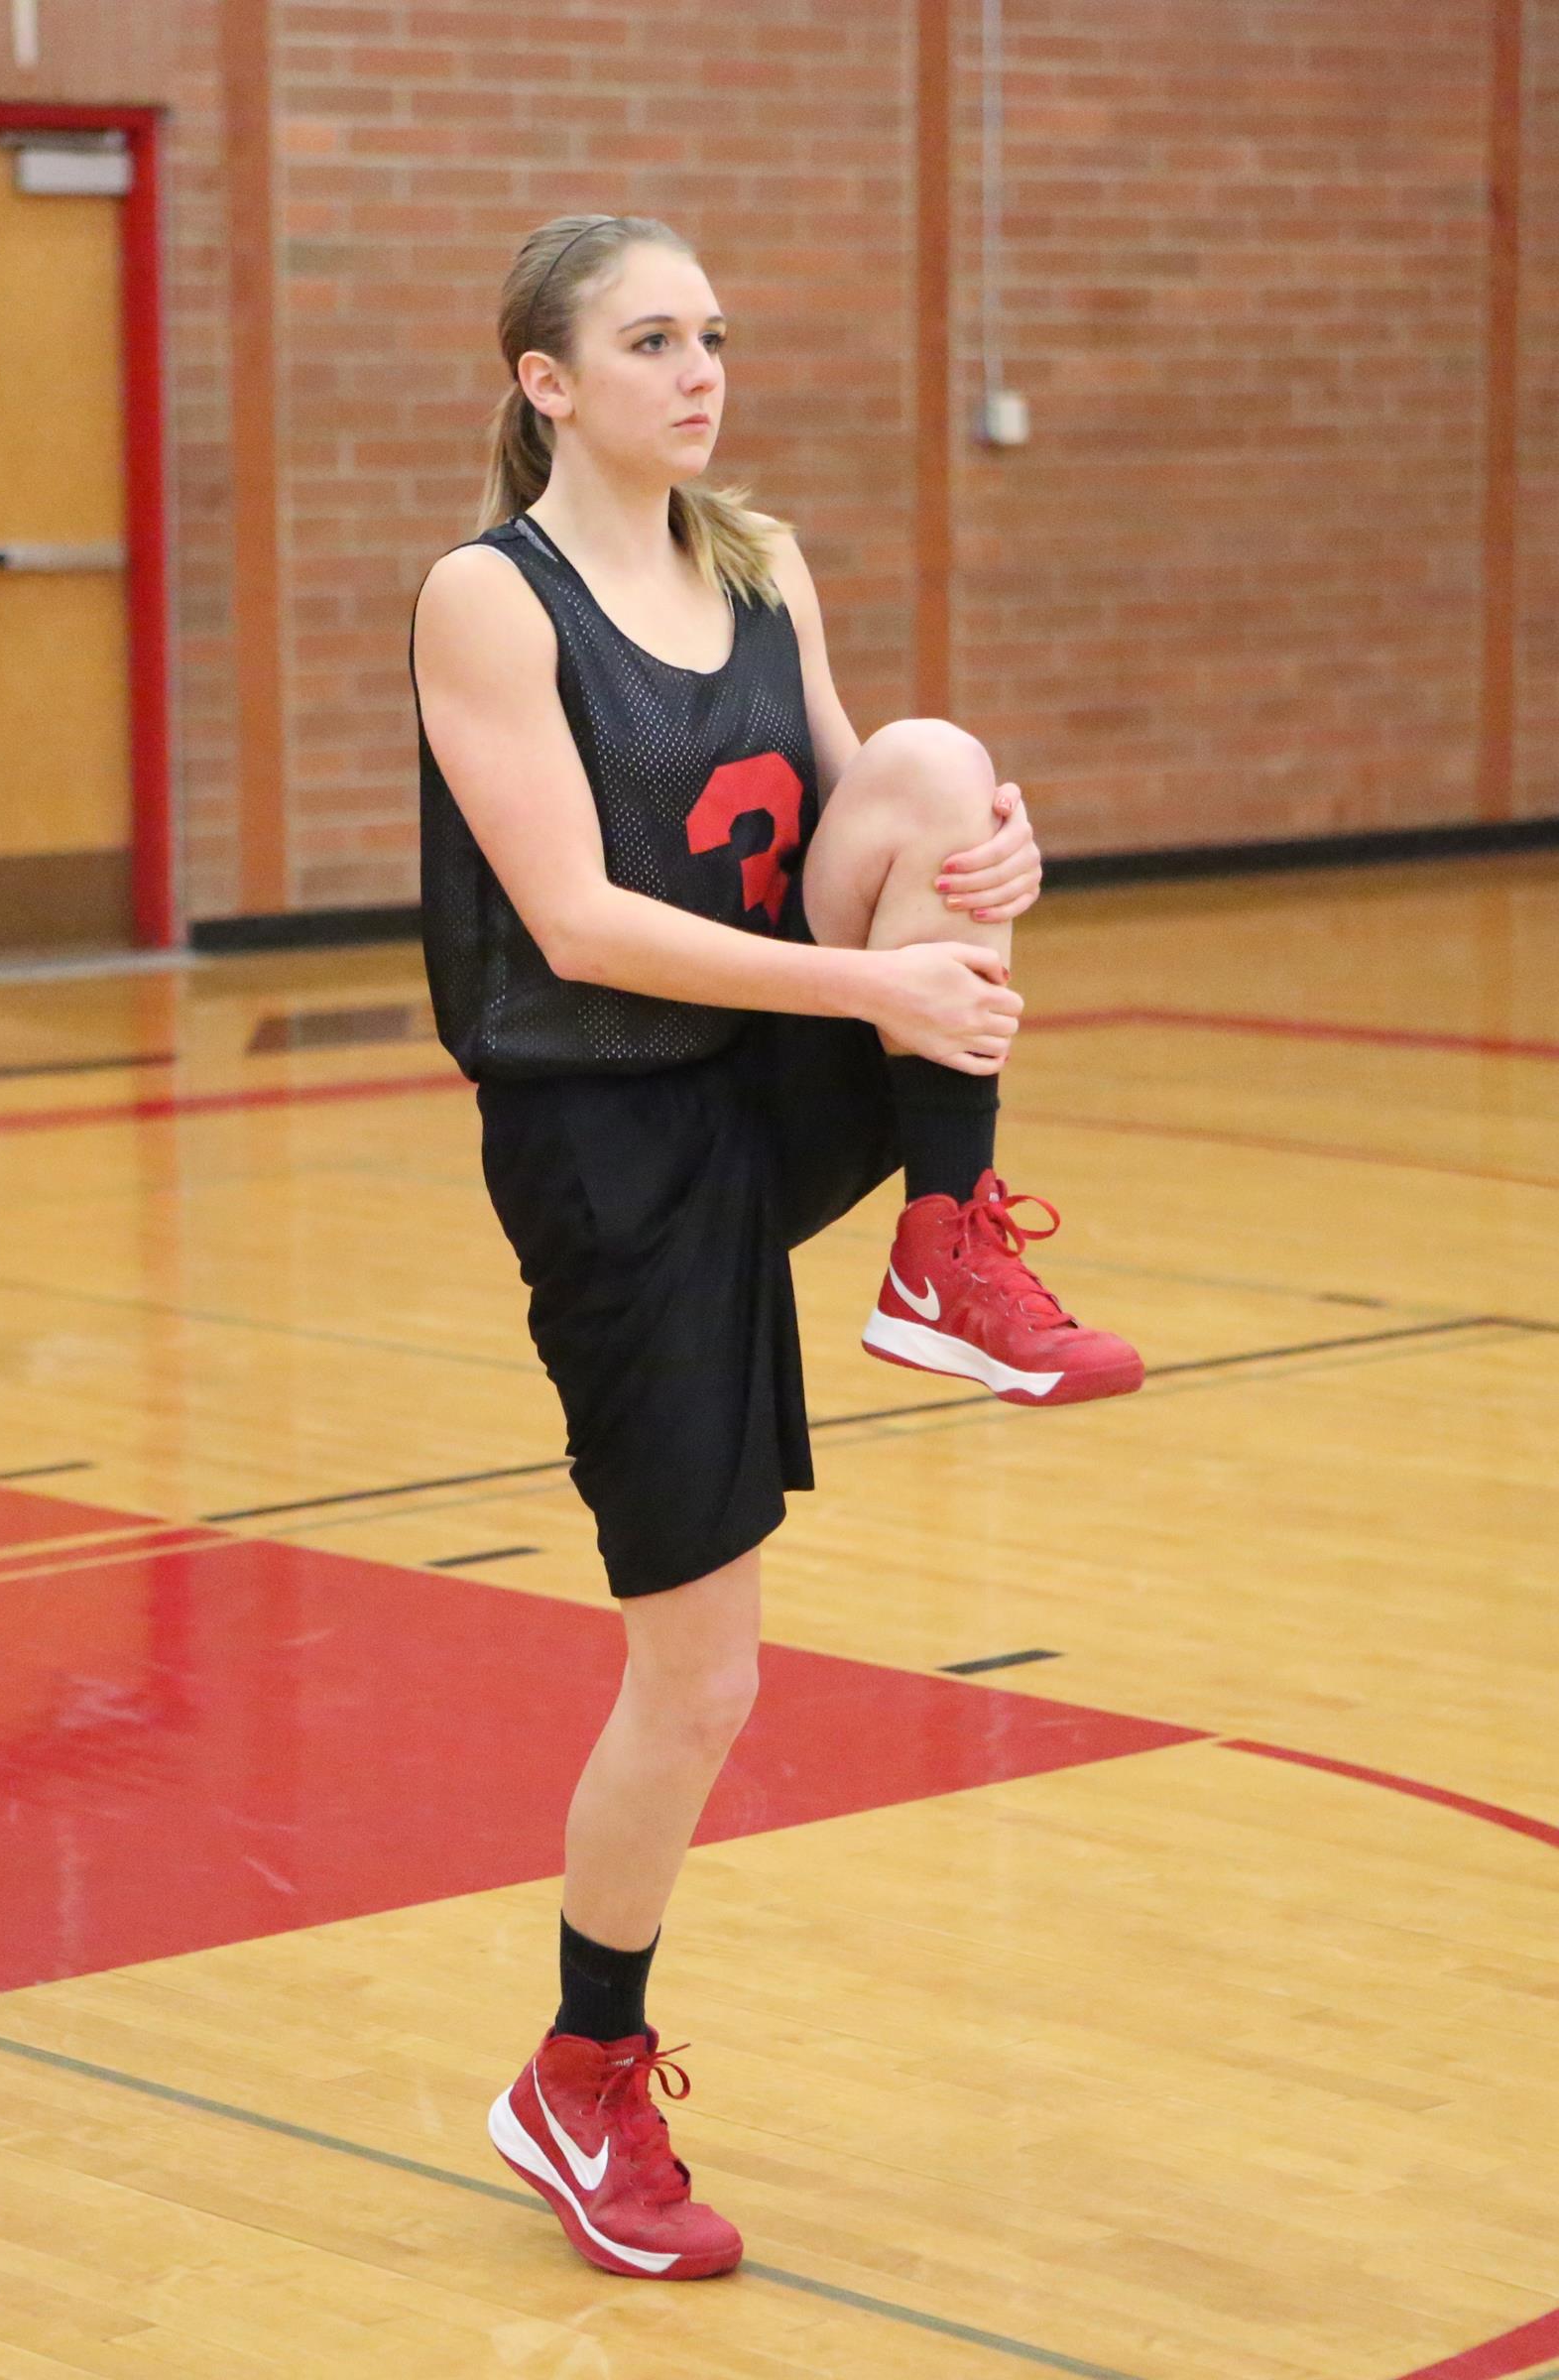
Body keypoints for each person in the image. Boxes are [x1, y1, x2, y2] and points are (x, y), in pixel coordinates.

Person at [410, 212, 1142, 2283]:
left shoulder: (758, 560)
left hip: (766, 1073)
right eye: (651, 340)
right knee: (702, 1677)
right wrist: (880, 993)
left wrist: (984, 861)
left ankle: (945, 1248)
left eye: (711, 334)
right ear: (548, 381)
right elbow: (575, 926)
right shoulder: (488, 599)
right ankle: (577, 2078)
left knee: (935, 762)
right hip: (606, 1141)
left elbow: (858, 820)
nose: (699, 370)